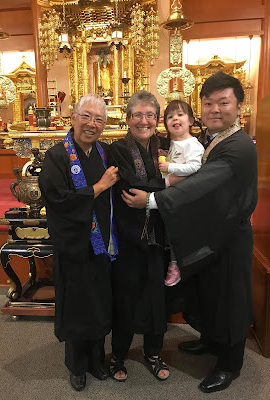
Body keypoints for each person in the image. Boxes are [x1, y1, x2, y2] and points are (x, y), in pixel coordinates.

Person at [120, 72, 258, 393]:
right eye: (208, 103)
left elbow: (201, 183)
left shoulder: (237, 146)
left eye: (223, 103)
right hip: (213, 231)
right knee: (209, 294)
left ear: (239, 105)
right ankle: (211, 341)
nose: (215, 109)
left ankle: (230, 364)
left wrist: (153, 200)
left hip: (230, 236)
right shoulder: (215, 138)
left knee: (228, 298)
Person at [39, 94, 119, 392]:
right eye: (86, 116)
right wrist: (99, 187)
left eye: (99, 119)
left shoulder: (106, 153)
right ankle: (76, 365)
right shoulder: (57, 157)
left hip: (101, 247)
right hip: (73, 246)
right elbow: (58, 200)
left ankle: (97, 360)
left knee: (99, 302)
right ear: (73, 118)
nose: (92, 124)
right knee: (76, 305)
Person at [108, 90, 171, 382]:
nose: (143, 120)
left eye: (149, 115)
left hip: (160, 235)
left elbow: (181, 182)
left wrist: (154, 193)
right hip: (129, 235)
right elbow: (132, 185)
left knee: (156, 296)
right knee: (127, 294)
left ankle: (153, 352)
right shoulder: (118, 149)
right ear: (128, 118)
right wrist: (164, 189)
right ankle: (118, 354)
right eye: (137, 115)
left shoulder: (169, 146)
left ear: (157, 120)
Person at [159, 100, 204, 286]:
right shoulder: (175, 143)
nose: (175, 119)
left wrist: (169, 166)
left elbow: (195, 167)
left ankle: (176, 264)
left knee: (176, 232)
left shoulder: (192, 144)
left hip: (185, 199)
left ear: (191, 120)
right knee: (169, 231)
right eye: (170, 116)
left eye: (180, 115)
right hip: (173, 197)